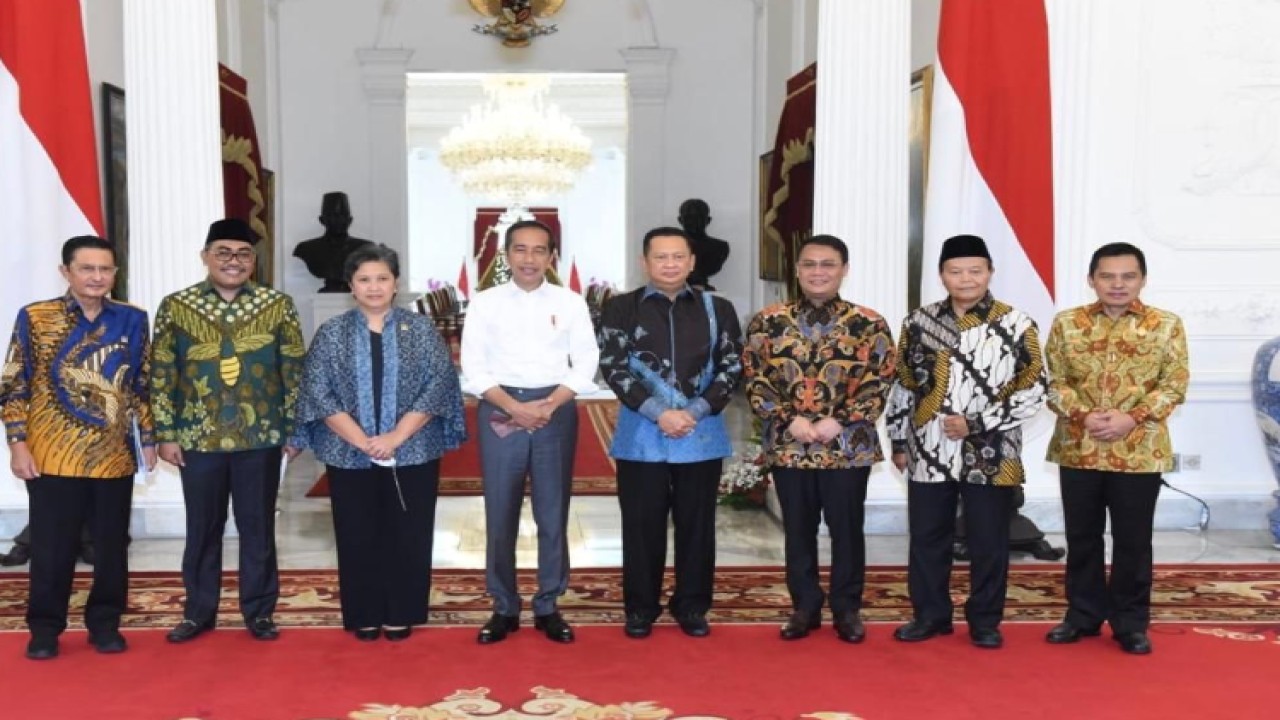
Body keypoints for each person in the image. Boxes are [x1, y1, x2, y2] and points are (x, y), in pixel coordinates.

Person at [293, 245, 465, 642]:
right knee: (356, 533)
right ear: (352, 286)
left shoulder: (421, 331)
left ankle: (402, 611)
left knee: (408, 532)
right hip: (348, 452)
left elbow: (438, 386)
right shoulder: (332, 333)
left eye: (382, 278)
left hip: (413, 449)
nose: (374, 287)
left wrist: (395, 437)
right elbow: (318, 393)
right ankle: (364, 613)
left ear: (396, 283)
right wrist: (363, 441)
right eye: (365, 279)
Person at [886, 234, 1047, 649]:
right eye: (956, 271)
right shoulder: (918, 323)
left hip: (991, 448)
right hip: (928, 447)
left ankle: (985, 620)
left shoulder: (1016, 323)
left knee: (989, 539)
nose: (966, 279)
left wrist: (975, 422)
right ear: (942, 275)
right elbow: (904, 385)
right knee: (927, 536)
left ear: (990, 272)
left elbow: (1033, 389)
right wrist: (899, 442)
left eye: (975, 270)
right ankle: (930, 615)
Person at [1, 235, 156, 660]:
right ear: (65, 272)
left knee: (111, 547)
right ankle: (45, 629)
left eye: (105, 269)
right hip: (52, 454)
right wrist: (18, 443)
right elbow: (14, 384)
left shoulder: (132, 319)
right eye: (87, 268)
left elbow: (142, 382)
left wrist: (148, 437)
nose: (97, 277)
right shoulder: (36, 317)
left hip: (113, 455)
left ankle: (105, 623)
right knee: (53, 547)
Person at [151, 218, 305, 643]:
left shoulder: (278, 305)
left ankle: (259, 611)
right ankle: (198, 612)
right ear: (205, 257)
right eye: (223, 252)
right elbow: (162, 371)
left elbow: (293, 368)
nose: (233, 261)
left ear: (253, 261)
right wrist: (165, 431)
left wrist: (294, 430)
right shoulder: (177, 306)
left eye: (242, 254)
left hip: (261, 437)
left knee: (258, 527)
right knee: (203, 527)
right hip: (197, 437)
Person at [742, 235, 896, 644]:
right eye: (809, 264)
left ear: (844, 269)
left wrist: (840, 420)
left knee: (848, 529)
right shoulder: (767, 321)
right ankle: (804, 606)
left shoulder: (869, 323)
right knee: (797, 529)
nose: (818, 272)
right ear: (797, 270)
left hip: (847, 446)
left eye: (828, 264)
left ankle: (847, 608)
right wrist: (787, 418)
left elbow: (880, 380)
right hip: (790, 445)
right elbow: (755, 377)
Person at [597, 226, 743, 639]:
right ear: (644, 262)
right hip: (641, 434)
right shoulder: (621, 308)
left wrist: (693, 410)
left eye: (678, 256)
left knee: (697, 525)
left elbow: (732, 366)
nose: (670, 264)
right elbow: (615, 366)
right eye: (660, 257)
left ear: (692, 262)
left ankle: (692, 605)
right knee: (641, 525)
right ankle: (640, 607)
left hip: (701, 432)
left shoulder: (719, 309)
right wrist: (660, 413)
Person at [1043, 242, 1188, 655]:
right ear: (1092, 280)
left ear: (1142, 280)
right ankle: (1082, 616)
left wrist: (1133, 417)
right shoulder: (1068, 323)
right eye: (1108, 276)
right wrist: (1082, 415)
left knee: (1133, 541)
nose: (1118, 284)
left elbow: (1174, 383)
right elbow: (1055, 382)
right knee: (1082, 537)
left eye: (1128, 276)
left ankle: (1130, 622)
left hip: (1139, 450)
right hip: (1080, 446)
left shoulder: (1166, 325)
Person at [460, 220, 599, 645]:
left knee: (552, 513)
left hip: (553, 410)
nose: (529, 259)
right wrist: (514, 408)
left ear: (551, 257)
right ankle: (503, 605)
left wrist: (548, 406)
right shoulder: (483, 303)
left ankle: (548, 604)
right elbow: (473, 365)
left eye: (539, 250)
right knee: (499, 513)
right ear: (506, 255)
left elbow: (586, 360)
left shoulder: (570, 302)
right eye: (520, 250)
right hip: (501, 410)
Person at [292, 191, 375, 292]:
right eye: (333, 216)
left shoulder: (366, 248)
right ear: (322, 220)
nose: (338, 221)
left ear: (350, 220)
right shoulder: (307, 249)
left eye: (342, 216)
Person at [676, 199, 730, 291]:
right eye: (689, 218)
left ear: (708, 220)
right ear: (680, 220)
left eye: (699, 217)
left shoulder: (719, 247)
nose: (694, 222)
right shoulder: (669, 248)